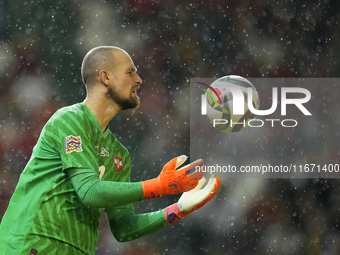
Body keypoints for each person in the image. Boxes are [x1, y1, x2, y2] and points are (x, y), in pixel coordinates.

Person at [0, 46, 220, 255]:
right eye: (130, 72)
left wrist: (177, 209)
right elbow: (89, 192)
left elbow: (124, 228)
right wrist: (160, 186)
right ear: (105, 78)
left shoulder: (119, 154)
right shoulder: (69, 120)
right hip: (31, 243)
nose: (139, 80)